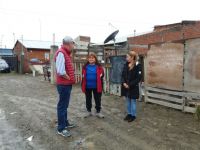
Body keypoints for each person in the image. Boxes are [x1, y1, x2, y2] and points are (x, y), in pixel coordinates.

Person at [54, 36, 76, 137]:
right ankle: (61, 128)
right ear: (68, 44)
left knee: (64, 105)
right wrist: (69, 78)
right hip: (63, 85)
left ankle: (65, 123)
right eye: (73, 44)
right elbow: (60, 71)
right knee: (62, 106)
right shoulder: (61, 53)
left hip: (66, 84)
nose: (73, 46)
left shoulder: (65, 53)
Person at [81, 53, 104, 118]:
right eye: (89, 58)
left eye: (92, 58)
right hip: (87, 86)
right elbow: (83, 76)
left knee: (98, 99)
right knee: (88, 99)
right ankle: (89, 111)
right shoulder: (84, 67)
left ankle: (98, 112)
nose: (91, 59)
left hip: (97, 86)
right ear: (88, 59)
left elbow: (102, 76)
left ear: (95, 59)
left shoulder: (99, 67)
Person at [121, 51, 142, 122]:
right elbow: (123, 75)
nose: (126, 58)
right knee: (127, 101)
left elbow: (138, 78)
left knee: (133, 102)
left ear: (132, 57)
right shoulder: (126, 64)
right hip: (125, 87)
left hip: (133, 87)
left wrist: (129, 85)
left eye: (127, 57)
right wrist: (123, 82)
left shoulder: (138, 65)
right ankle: (129, 114)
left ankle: (133, 115)